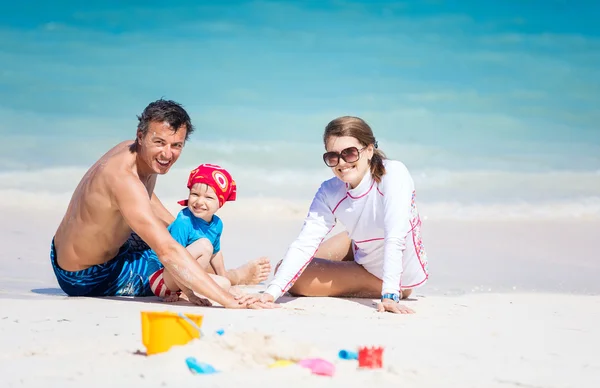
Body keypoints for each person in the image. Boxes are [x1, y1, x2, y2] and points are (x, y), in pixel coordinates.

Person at [50, 99, 273, 309]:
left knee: (181, 236)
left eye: (176, 145)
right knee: (176, 257)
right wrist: (229, 301)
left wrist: (179, 228)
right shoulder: (123, 179)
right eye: (159, 143)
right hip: (87, 277)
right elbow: (167, 251)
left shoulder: (135, 154)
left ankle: (210, 277)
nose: (167, 154)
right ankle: (231, 278)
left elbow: (143, 197)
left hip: (89, 253)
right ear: (141, 136)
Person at [249, 116, 429, 314]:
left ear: (369, 150)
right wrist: (270, 293)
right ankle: (351, 272)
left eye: (350, 153)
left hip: (393, 272)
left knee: (298, 281)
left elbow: (395, 236)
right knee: (285, 268)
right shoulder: (329, 190)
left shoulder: (393, 173)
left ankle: (390, 287)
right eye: (333, 157)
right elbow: (304, 244)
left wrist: (390, 295)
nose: (341, 163)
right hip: (362, 245)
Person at [148, 163, 272, 302]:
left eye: (208, 197)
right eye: (195, 194)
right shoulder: (183, 222)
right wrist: (189, 294)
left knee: (224, 284)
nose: (199, 201)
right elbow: (171, 259)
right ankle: (186, 290)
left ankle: (194, 287)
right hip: (162, 278)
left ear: (220, 202)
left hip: (184, 275)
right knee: (205, 245)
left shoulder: (217, 224)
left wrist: (225, 279)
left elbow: (216, 254)